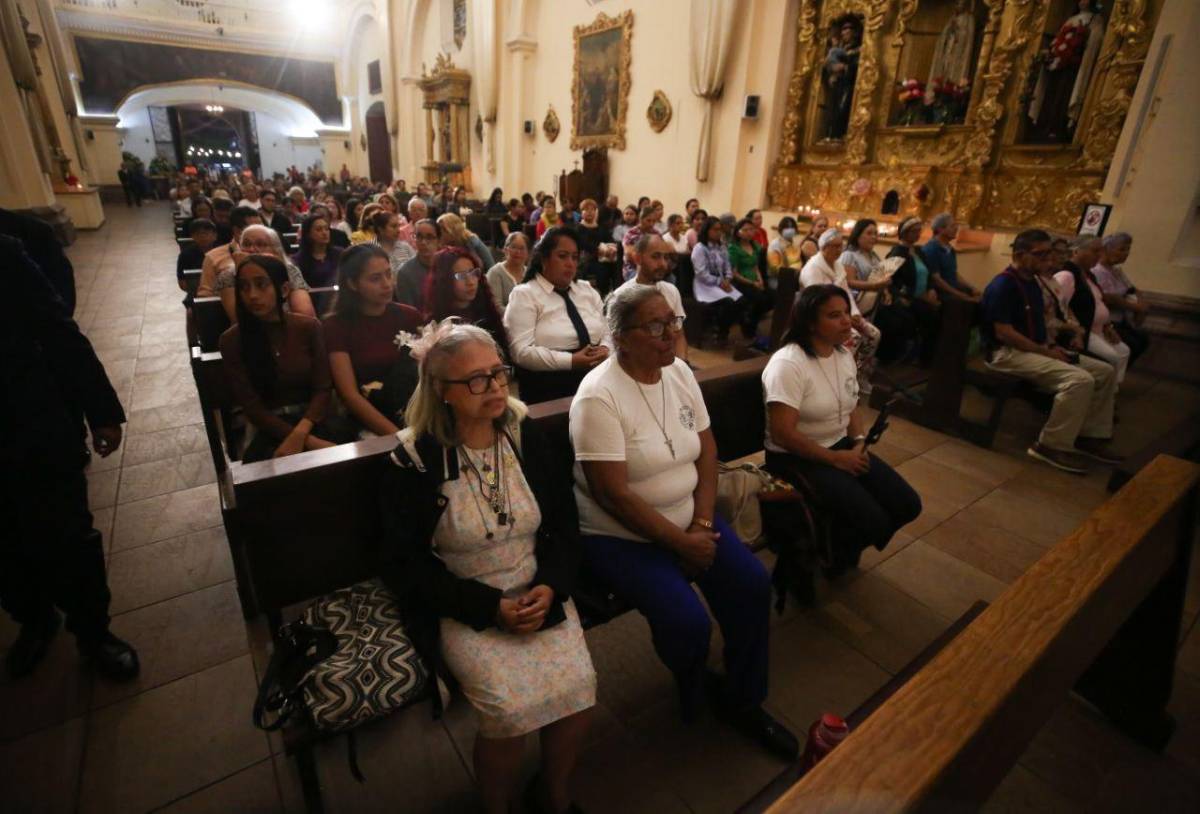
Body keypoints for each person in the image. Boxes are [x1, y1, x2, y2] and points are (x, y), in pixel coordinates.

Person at [571, 284, 798, 759]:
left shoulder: (677, 374)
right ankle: (692, 675)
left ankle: (743, 697)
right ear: (620, 337)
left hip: (688, 519)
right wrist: (680, 542)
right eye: (655, 326)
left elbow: (708, 449)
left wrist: (699, 522)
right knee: (686, 622)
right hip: (621, 536)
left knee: (752, 584)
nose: (671, 333)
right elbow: (611, 493)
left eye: (673, 321)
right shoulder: (599, 396)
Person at [380, 320, 596, 814]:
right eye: (476, 380)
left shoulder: (521, 433)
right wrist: (489, 607)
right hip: (463, 599)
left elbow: (563, 523)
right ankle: (495, 806)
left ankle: (554, 794)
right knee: (510, 710)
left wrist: (551, 586)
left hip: (537, 587)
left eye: (498, 374)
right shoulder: (416, 459)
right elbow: (404, 564)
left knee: (580, 690)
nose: (495, 387)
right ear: (442, 391)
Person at [0, 234, 138, 681]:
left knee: (67, 535)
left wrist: (101, 411)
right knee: (5, 548)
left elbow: (59, 332)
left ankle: (94, 633)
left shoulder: (7, 247)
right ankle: (34, 618)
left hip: (27, 424)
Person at [763, 285, 922, 576]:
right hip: (795, 457)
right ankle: (829, 552)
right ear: (810, 322)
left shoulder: (842, 354)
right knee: (874, 520)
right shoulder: (788, 364)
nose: (847, 321)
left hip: (840, 446)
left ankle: (838, 545)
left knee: (907, 504)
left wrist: (858, 442)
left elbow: (851, 406)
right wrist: (836, 460)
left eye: (847, 312)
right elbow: (782, 433)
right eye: (834, 315)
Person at [981, 229, 1120, 473]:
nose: (1048, 259)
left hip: (1035, 349)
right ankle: (1050, 445)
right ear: (1020, 254)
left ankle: (1088, 434)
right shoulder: (1004, 284)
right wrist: (1045, 352)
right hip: (1006, 353)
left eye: (1050, 253)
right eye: (1041, 254)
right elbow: (1004, 332)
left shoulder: (1033, 283)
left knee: (1105, 371)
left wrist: (1053, 345)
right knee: (1079, 380)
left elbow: (1040, 323)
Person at [219, 255, 345, 461]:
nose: (252, 295)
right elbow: (252, 407)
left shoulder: (308, 327)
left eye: (261, 285)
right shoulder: (232, 340)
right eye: (244, 287)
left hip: (314, 418)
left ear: (284, 290)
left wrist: (302, 433)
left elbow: (323, 388)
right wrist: (308, 441)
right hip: (267, 426)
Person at [324, 244, 425, 435]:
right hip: (369, 422)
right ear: (353, 284)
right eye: (375, 278)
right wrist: (398, 436)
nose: (387, 284)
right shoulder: (336, 326)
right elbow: (350, 395)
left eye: (389, 274)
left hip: (417, 412)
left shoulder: (410, 316)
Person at [504, 225, 609, 404]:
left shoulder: (586, 290)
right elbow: (520, 352)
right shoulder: (525, 294)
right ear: (544, 258)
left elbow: (608, 329)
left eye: (575, 257)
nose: (570, 263)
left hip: (596, 380)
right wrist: (571, 361)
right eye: (562, 256)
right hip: (550, 387)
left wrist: (606, 348)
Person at [800, 228, 882, 394]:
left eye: (841, 246)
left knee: (874, 334)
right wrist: (842, 317)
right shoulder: (813, 268)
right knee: (854, 337)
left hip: (842, 313)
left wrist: (854, 314)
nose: (839, 250)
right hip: (822, 316)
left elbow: (846, 294)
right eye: (835, 246)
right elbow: (815, 303)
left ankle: (858, 373)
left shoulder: (838, 266)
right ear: (824, 247)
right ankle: (838, 378)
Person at [1055, 235, 1132, 384]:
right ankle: (1103, 391)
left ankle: (1111, 391)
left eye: (1100, 251)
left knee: (1123, 351)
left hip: (1098, 328)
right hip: (1083, 330)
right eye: (1095, 251)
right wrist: (1075, 331)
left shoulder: (1089, 275)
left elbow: (1099, 301)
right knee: (1112, 357)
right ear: (1076, 252)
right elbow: (1061, 307)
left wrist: (1108, 326)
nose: (1099, 256)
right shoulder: (1067, 275)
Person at [840, 219, 915, 364]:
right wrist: (874, 286)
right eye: (869, 233)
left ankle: (893, 357)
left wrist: (886, 292)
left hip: (876, 297)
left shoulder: (874, 256)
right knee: (894, 321)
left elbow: (881, 277)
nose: (874, 237)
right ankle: (881, 358)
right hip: (859, 300)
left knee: (907, 315)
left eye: (875, 233)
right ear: (858, 235)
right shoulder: (850, 255)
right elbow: (849, 282)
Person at [214, 224, 315, 322]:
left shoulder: (289, 270)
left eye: (260, 244)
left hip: (288, 329)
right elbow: (239, 320)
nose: (252, 249)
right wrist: (242, 271)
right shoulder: (228, 276)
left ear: (276, 250)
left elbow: (305, 314)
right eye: (247, 244)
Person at [612, 232, 689, 361]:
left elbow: (679, 336)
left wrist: (682, 366)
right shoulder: (622, 297)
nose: (663, 264)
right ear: (637, 258)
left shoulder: (671, 290)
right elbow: (619, 349)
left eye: (665, 258)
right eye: (656, 257)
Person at [424, 247, 509, 352]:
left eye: (473, 273)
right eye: (461, 276)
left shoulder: (488, 312)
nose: (471, 282)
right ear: (445, 280)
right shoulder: (437, 324)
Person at [886, 216, 941, 365]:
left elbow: (927, 273)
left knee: (940, 312)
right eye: (914, 231)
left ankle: (928, 356)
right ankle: (921, 358)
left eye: (919, 231)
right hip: (908, 297)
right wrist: (901, 296)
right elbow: (888, 280)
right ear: (904, 233)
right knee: (931, 316)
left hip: (923, 296)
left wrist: (931, 288)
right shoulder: (897, 253)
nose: (917, 234)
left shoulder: (919, 251)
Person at [1091, 232, 1150, 363]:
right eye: (1122, 249)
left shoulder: (1116, 270)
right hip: (1108, 321)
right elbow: (1108, 298)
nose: (1126, 253)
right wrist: (1136, 307)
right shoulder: (1098, 271)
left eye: (1128, 249)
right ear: (1107, 249)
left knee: (1143, 339)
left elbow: (1133, 289)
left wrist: (1142, 303)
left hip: (1123, 319)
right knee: (1131, 345)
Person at [690, 216, 744, 344]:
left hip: (722, 283)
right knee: (728, 302)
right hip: (705, 286)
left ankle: (722, 329)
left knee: (742, 301)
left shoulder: (721, 247)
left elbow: (728, 266)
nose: (718, 232)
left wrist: (728, 279)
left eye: (720, 229)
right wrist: (720, 282)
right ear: (707, 230)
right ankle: (721, 332)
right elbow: (701, 273)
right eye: (715, 229)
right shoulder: (700, 248)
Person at [196, 205, 262, 297]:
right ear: (238, 231)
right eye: (256, 229)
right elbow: (205, 294)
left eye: (262, 228)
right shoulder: (213, 257)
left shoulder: (268, 250)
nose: (262, 233)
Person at [728, 217, 772, 346]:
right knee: (758, 298)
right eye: (745, 229)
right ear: (738, 232)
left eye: (751, 229)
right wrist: (752, 283)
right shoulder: (734, 248)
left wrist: (760, 280)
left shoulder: (755, 246)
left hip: (754, 280)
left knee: (771, 297)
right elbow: (734, 273)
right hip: (741, 282)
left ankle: (751, 320)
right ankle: (748, 324)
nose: (749, 232)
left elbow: (755, 266)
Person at [922, 212, 980, 302]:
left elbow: (954, 273)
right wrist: (959, 294)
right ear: (940, 229)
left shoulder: (949, 249)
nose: (956, 228)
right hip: (941, 293)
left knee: (979, 296)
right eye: (952, 226)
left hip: (952, 288)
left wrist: (971, 287)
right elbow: (937, 280)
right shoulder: (931, 249)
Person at [575, 198, 618, 295]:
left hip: (604, 258)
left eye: (592, 209)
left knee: (616, 265)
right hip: (586, 259)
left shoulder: (601, 228)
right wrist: (599, 250)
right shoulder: (578, 228)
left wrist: (611, 249)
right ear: (581, 212)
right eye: (586, 210)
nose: (590, 212)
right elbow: (583, 244)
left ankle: (611, 295)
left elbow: (610, 240)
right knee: (601, 269)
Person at [396, 218, 440, 309]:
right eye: (419, 237)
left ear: (439, 240)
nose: (423, 242)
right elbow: (409, 311)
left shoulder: (449, 266)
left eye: (429, 237)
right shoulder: (405, 273)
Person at [291, 213, 344, 288]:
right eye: (319, 230)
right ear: (308, 234)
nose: (324, 233)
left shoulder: (340, 253)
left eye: (326, 229)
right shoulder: (298, 260)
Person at [487, 232, 530, 311]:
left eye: (522, 248)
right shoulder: (495, 273)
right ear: (505, 250)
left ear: (527, 253)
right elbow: (496, 308)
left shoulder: (530, 273)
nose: (517, 252)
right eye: (513, 247)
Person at [177, 218, 218, 298]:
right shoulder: (185, 255)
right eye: (198, 234)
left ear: (215, 236)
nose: (202, 237)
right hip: (195, 293)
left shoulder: (222, 252)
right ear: (193, 237)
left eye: (206, 233)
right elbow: (182, 283)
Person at [373, 210, 418, 274]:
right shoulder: (370, 250)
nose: (398, 230)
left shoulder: (405, 247)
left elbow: (417, 268)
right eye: (393, 227)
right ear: (380, 229)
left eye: (398, 226)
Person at [621, 206, 659, 281]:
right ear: (640, 219)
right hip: (633, 269)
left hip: (653, 269)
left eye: (654, 221)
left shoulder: (656, 233)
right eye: (648, 220)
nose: (651, 224)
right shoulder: (631, 234)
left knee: (671, 278)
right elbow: (629, 255)